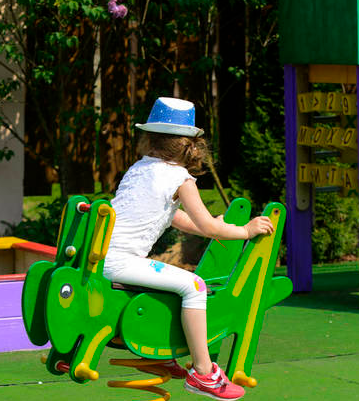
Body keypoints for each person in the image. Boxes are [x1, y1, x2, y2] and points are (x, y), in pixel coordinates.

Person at [103, 97, 274, 401]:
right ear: (189, 145)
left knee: (172, 284)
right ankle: (204, 374)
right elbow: (208, 227)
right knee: (194, 285)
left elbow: (178, 219)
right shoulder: (181, 178)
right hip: (121, 261)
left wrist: (212, 224)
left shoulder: (140, 169)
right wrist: (244, 230)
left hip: (103, 255)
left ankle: (160, 349)